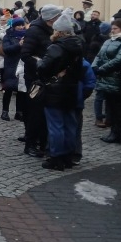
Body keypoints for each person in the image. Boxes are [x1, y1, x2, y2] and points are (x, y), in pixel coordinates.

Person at [36, 9, 86, 170]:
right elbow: (80, 70)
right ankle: (68, 156)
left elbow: (43, 68)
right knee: (70, 124)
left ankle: (56, 157)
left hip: (55, 90)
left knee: (56, 125)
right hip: (72, 89)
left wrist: (38, 62)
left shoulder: (56, 48)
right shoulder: (78, 46)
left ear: (58, 31)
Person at [20, 4, 61, 157]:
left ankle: (42, 143)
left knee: (45, 113)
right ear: (51, 18)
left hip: (49, 77)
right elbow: (25, 54)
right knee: (34, 112)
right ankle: (30, 144)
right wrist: (41, 63)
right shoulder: (34, 30)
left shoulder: (53, 30)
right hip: (35, 78)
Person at [92, 18, 121, 144]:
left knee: (118, 108)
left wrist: (102, 69)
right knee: (110, 107)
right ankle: (112, 132)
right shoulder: (109, 40)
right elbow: (99, 55)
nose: (112, 31)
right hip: (106, 78)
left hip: (118, 79)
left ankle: (117, 133)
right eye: (112, 28)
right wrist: (95, 66)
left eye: (115, 29)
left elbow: (120, 60)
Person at [0, 17, 27, 121]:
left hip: (22, 64)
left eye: (22, 25)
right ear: (14, 26)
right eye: (18, 25)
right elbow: (6, 49)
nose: (20, 27)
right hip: (11, 64)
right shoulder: (8, 36)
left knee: (20, 89)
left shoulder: (26, 35)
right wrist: (18, 45)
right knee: (9, 88)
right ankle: (5, 111)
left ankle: (19, 112)